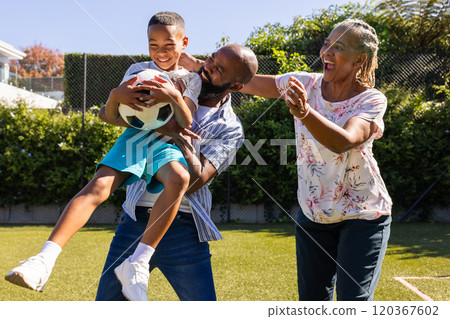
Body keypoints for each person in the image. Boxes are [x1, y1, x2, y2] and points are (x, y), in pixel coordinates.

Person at [5, 11, 202, 301]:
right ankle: (43, 260)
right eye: (153, 45)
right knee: (97, 187)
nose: (161, 52)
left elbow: (185, 124)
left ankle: (138, 262)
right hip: (135, 139)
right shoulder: (137, 70)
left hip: (165, 143)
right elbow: (113, 118)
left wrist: (172, 95)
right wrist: (115, 96)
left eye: (169, 45)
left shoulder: (191, 80)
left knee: (180, 178)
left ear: (184, 42)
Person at [238, 19, 392, 301]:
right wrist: (201, 68)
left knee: (352, 304)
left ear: (359, 60)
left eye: (338, 47)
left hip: (363, 215)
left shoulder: (371, 100)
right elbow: (248, 83)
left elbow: (343, 141)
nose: (327, 52)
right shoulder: (305, 83)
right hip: (314, 214)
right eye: (326, 45)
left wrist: (305, 113)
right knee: (311, 304)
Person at [95, 44, 258, 300]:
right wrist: (119, 97)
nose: (208, 67)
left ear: (235, 86)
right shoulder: (164, 82)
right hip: (135, 220)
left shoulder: (230, 128)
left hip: (185, 229)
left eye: (218, 69)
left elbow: (195, 182)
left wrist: (176, 130)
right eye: (211, 59)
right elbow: (109, 115)